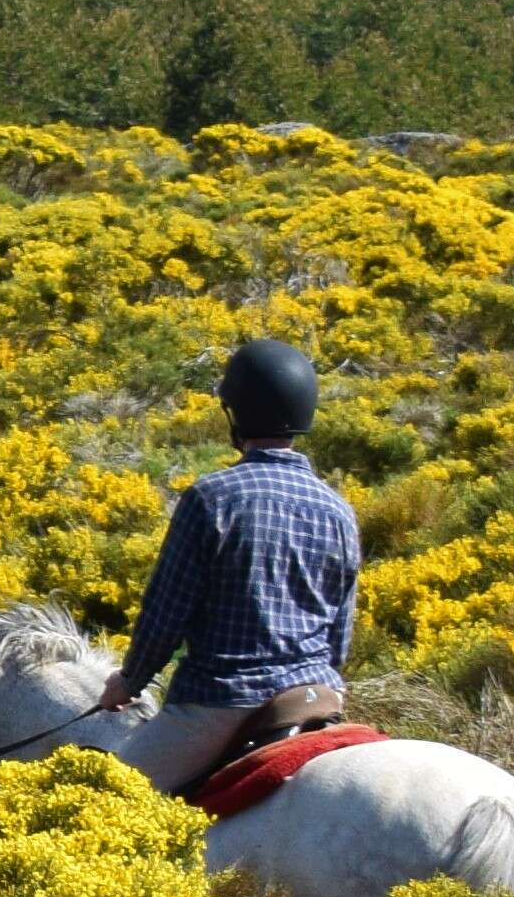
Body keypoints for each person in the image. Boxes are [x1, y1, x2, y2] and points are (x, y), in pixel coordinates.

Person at [107, 335, 360, 794]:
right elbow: (339, 639)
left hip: (223, 701)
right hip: (318, 695)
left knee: (111, 802)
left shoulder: (212, 498)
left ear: (235, 413)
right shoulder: (339, 510)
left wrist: (130, 681)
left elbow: (167, 612)